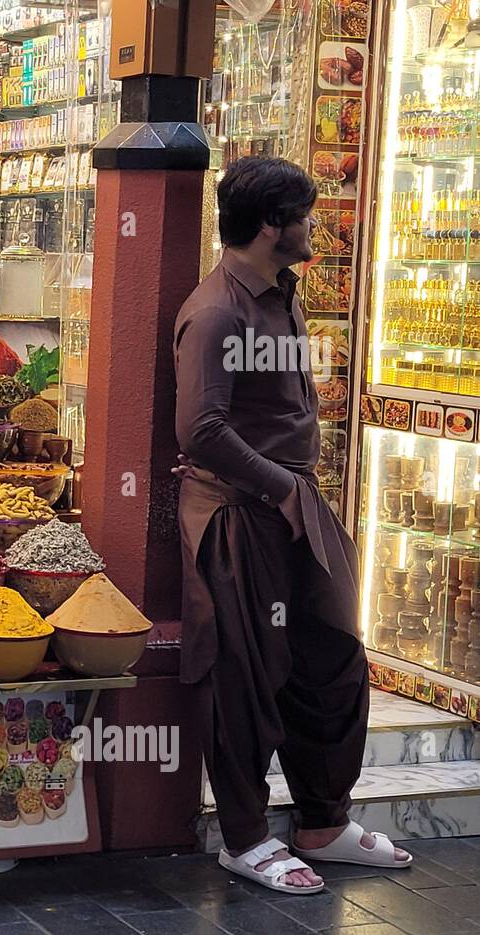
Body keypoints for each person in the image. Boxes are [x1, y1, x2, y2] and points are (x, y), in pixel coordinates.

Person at [173, 156, 411, 895]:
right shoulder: (216, 310)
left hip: (293, 503)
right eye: (306, 214)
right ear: (273, 226)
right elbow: (200, 430)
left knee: (333, 657)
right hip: (241, 515)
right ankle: (245, 838)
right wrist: (280, 488)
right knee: (244, 674)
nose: (316, 227)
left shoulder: (282, 292)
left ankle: (322, 821)